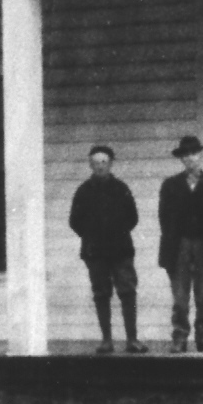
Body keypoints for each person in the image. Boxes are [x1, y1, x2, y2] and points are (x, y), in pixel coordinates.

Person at [68, 145, 146, 354]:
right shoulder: (83, 191)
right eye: (96, 162)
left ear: (111, 164)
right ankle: (106, 340)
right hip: (95, 253)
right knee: (101, 293)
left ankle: (132, 339)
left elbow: (132, 217)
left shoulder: (121, 189)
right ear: (90, 165)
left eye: (104, 162)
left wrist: (116, 234)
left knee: (127, 292)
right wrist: (92, 237)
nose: (100, 166)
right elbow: (75, 221)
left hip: (121, 251)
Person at [158, 135, 203, 353]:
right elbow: (164, 218)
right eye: (186, 155)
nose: (190, 158)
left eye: (194, 154)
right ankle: (179, 336)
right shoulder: (170, 185)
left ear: (200, 156)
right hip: (179, 246)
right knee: (180, 297)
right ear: (181, 159)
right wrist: (178, 240)